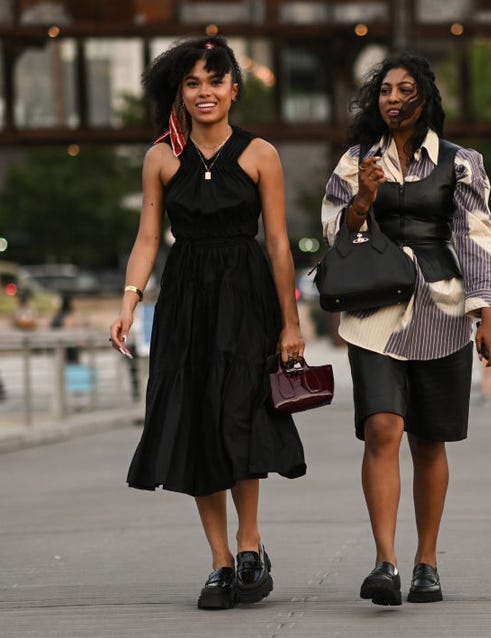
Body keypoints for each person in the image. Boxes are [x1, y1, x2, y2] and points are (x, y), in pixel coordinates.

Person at [109, 36, 306, 610]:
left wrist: (291, 323)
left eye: (214, 82)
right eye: (192, 83)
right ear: (181, 93)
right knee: (196, 420)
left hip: (247, 297)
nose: (204, 93)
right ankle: (220, 561)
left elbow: (277, 243)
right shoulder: (161, 157)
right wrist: (129, 301)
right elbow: (147, 238)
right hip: (187, 297)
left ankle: (250, 544)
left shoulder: (260, 154)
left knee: (239, 415)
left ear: (233, 89)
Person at [321, 52, 491, 606]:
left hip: (443, 310)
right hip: (374, 310)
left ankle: (427, 561)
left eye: (404, 90)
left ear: (424, 98)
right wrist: (363, 199)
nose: (392, 98)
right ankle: (386, 561)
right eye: (384, 91)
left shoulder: (461, 162)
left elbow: (476, 237)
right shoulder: (355, 160)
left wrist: (488, 313)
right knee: (382, 428)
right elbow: (335, 233)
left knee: (430, 440)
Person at [50, 293, 80, 364]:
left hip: (57, 349)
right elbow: (70, 334)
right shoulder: (68, 317)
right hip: (68, 350)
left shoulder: (56, 316)